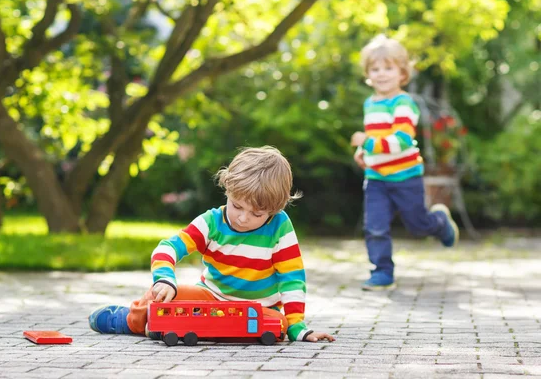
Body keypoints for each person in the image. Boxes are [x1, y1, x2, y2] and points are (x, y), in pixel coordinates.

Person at [89, 146, 335, 343]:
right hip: (209, 297)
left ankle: (176, 328)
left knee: (279, 326)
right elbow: (168, 248)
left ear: (274, 209)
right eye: (237, 206)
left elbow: (292, 279)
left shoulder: (280, 227)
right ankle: (131, 320)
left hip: (256, 308)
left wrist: (298, 327)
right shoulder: (212, 222)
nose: (242, 217)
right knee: (163, 298)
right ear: (227, 189)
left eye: (257, 214)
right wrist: (165, 279)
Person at [350, 34, 459, 291]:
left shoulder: (404, 103)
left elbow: (400, 141)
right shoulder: (370, 103)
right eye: (375, 69)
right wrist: (364, 153)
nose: (381, 74)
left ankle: (440, 223)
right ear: (368, 73)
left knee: (417, 226)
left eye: (388, 68)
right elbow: (377, 139)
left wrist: (366, 143)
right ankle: (382, 273)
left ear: (402, 73)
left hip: (405, 176)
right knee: (374, 227)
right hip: (376, 178)